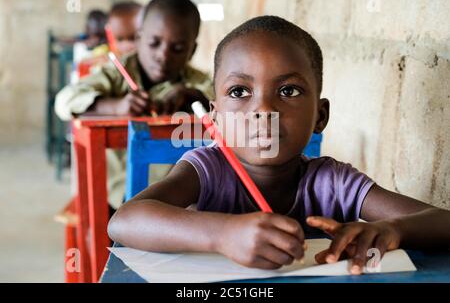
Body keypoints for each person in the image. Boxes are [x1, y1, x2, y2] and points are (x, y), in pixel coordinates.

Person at [108, 16, 450, 274]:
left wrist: (390, 230)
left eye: (288, 91)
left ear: (320, 115)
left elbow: (440, 220)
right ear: (216, 118)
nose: (264, 111)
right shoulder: (207, 170)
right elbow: (124, 221)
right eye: (239, 92)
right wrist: (224, 234)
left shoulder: (333, 183)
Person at [55, 0, 214, 209]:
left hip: (171, 202)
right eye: (154, 43)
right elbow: (64, 101)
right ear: (139, 39)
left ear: (192, 50)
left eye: (177, 49)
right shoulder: (116, 74)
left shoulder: (197, 82)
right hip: (113, 199)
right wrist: (115, 107)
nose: (163, 55)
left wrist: (192, 96)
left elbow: (221, 105)